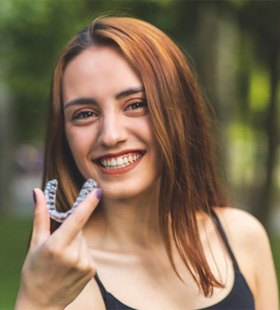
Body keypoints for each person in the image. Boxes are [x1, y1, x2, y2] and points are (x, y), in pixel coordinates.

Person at [15, 16, 278, 310]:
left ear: (180, 111)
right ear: (63, 135)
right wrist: (36, 301)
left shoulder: (243, 237)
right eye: (85, 114)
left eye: (136, 104)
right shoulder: (68, 278)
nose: (111, 135)